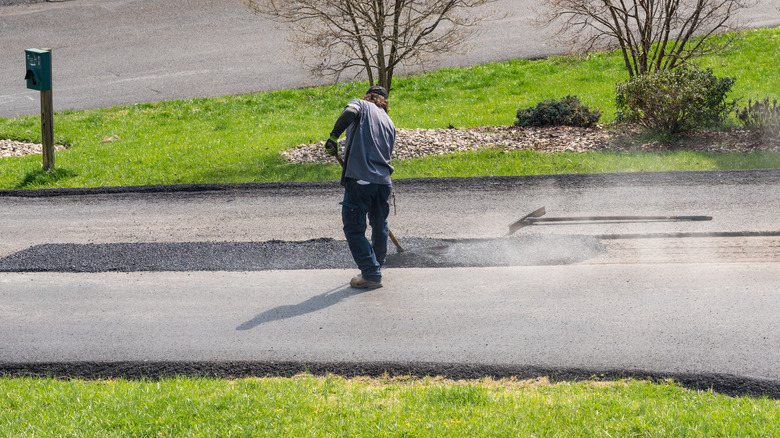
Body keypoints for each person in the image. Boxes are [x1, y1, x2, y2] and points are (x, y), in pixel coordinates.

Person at [325, 85, 395, 289]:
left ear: (369, 97)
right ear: (385, 102)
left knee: (354, 228)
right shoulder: (390, 123)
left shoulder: (361, 105)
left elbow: (349, 112)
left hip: (361, 180)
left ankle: (371, 274)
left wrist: (333, 136)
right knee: (379, 224)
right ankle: (376, 266)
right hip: (383, 183)